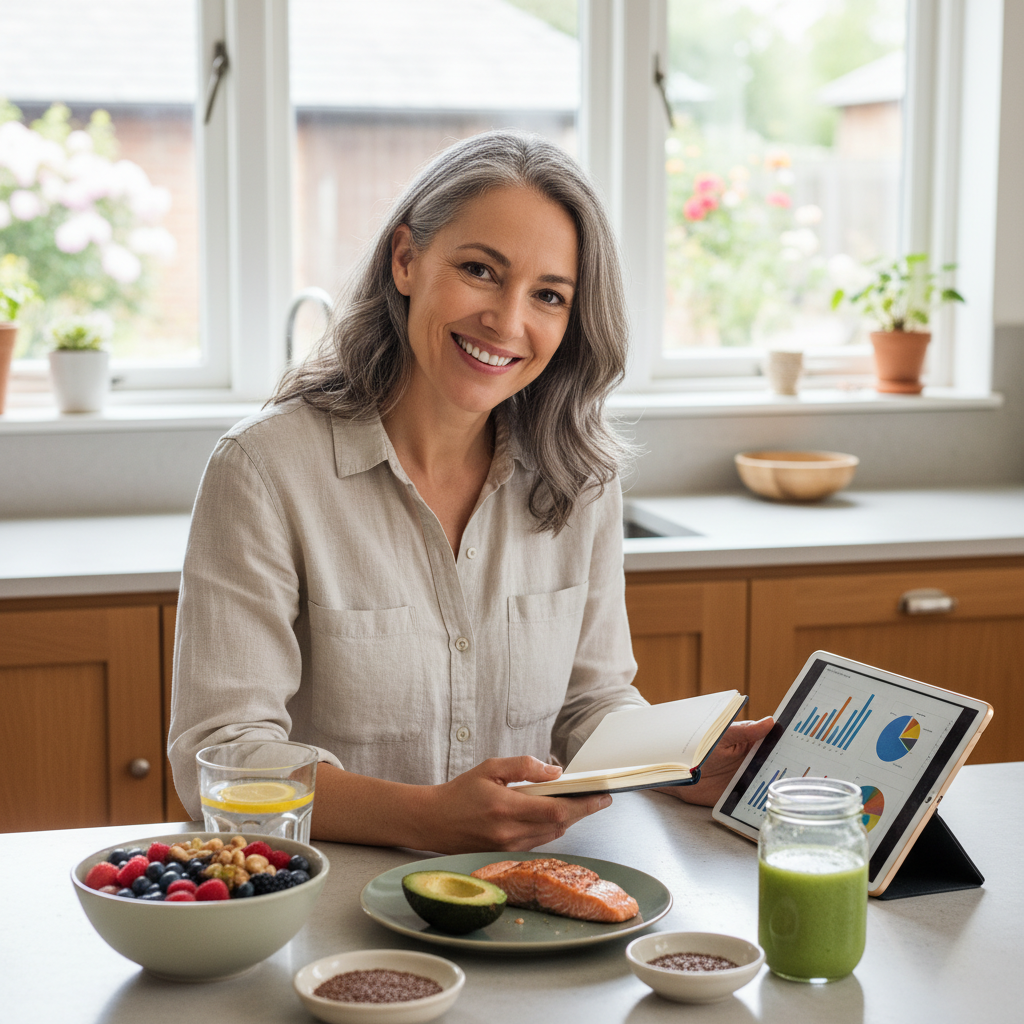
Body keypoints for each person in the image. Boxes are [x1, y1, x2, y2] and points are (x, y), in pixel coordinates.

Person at [167, 130, 771, 853]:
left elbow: (591, 703)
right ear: (406, 260)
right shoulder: (264, 471)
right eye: (482, 270)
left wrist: (675, 762)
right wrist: (422, 817)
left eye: (548, 295)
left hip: (521, 902)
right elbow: (222, 754)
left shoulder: (580, 478)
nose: (508, 321)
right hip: (326, 906)